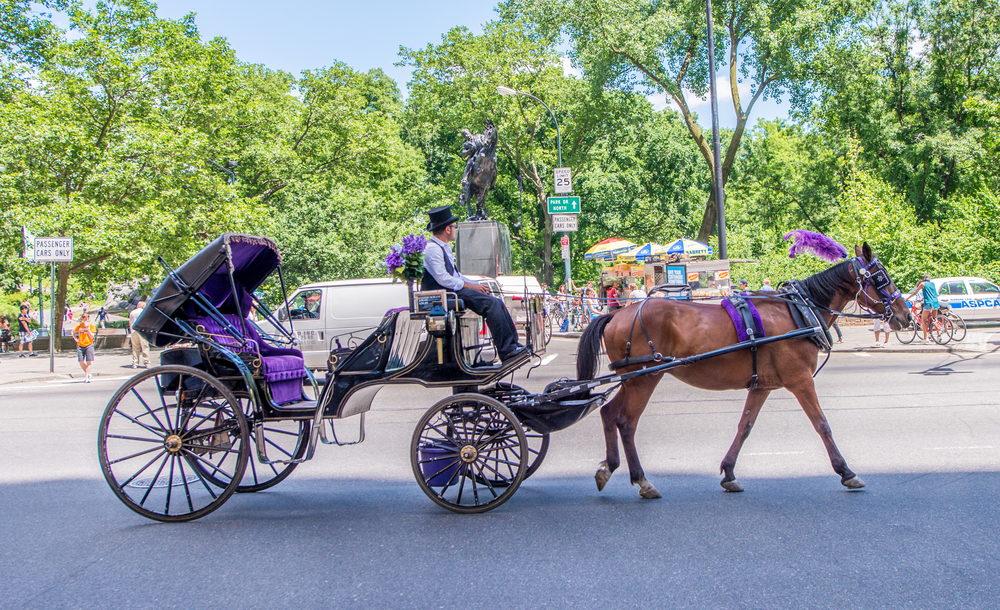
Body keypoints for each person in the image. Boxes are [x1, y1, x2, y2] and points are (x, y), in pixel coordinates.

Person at [421, 206, 525, 362]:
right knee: (490, 305)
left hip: (452, 290)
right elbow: (443, 278)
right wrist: (471, 286)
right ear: (447, 229)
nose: (456, 229)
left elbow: (456, 275)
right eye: (454, 226)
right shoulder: (432, 250)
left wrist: (477, 284)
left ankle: (513, 344)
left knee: (497, 302)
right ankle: (506, 350)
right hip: (444, 294)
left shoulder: (444, 247)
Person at [907, 274, 939, 344]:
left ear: (923, 279)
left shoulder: (922, 284)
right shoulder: (932, 284)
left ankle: (925, 338)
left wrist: (907, 299)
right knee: (935, 320)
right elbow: (932, 294)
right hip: (935, 302)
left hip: (928, 303)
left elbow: (915, 292)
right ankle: (938, 336)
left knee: (923, 320)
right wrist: (922, 298)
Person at [73, 312, 97, 382]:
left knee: (88, 362)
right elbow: (73, 332)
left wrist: (88, 328)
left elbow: (92, 336)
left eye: (88, 318)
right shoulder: (79, 326)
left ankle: (87, 377)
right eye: (85, 319)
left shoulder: (91, 326)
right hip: (80, 345)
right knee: (81, 361)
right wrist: (76, 339)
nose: (86, 320)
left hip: (89, 345)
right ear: (82, 319)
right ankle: (88, 373)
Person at [128, 301, 150, 368]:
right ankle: (147, 362)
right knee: (145, 347)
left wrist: (131, 331)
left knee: (135, 347)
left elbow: (130, 322)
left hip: (134, 331)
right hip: (142, 331)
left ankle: (135, 363)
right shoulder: (144, 312)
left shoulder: (132, 312)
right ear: (142, 306)